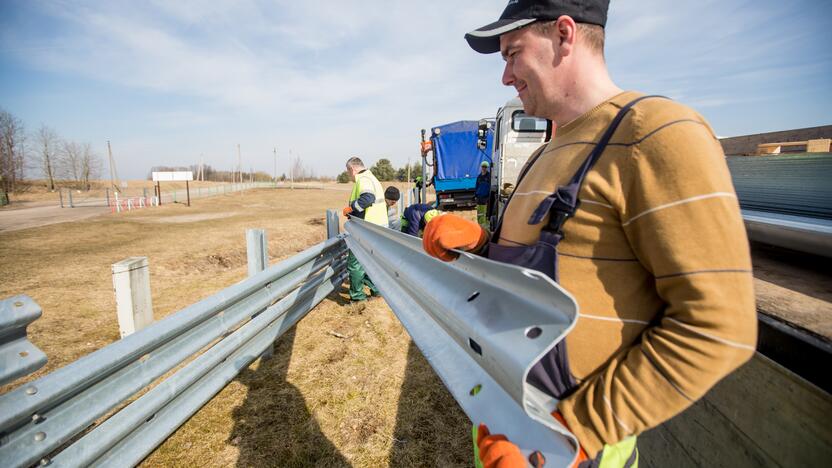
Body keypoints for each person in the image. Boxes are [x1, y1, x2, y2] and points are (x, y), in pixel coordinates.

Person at [424, 1, 757, 466]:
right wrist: (480, 247)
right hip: (509, 422)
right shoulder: (548, 151)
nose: (505, 76)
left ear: (564, 34)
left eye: (512, 53)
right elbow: (554, 273)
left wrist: (572, 435)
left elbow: (720, 327)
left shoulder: (656, 133)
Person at [342, 157, 388, 301]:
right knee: (369, 262)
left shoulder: (363, 179)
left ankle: (357, 297)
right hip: (376, 228)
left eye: (349, 172)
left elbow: (367, 198)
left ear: (352, 169)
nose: (349, 176)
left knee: (355, 263)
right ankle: (376, 290)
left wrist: (350, 208)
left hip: (366, 228)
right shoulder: (372, 177)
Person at [475, 161, 491, 229]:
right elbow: (477, 186)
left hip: (486, 197)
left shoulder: (489, 176)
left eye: (485, 167)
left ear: (487, 168)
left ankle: (485, 227)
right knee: (479, 212)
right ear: (481, 167)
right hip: (479, 197)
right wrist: (475, 195)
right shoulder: (479, 177)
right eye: (483, 167)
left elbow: (490, 186)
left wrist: (488, 196)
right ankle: (479, 225)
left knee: (485, 212)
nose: (484, 168)